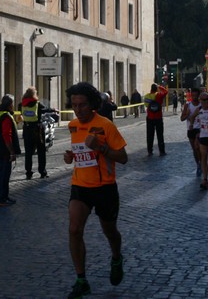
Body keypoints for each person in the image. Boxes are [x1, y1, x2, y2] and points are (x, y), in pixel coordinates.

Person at [63, 82, 128, 298]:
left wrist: (101, 147)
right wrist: (70, 157)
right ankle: (81, 280)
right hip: (80, 186)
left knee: (110, 232)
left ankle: (116, 257)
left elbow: (123, 157)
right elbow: (80, 154)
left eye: (82, 105)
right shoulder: (73, 125)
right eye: (74, 105)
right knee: (74, 229)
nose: (78, 110)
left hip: (105, 188)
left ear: (92, 105)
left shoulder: (106, 125)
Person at [20, 86, 55, 180]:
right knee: (41, 151)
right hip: (37, 130)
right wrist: (54, 110)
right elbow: (46, 109)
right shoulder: (37, 104)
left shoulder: (22, 104)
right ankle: (42, 172)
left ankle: (28, 173)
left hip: (27, 129)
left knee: (28, 152)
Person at [0, 95, 21, 206]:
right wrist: (12, 152)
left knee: (3, 174)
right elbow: (6, 135)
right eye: (12, 103)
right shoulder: (6, 117)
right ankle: (0, 199)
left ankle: (4, 196)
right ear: (10, 105)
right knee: (3, 175)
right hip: (4, 150)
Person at [180, 87, 201, 176]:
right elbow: (182, 118)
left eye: (196, 96)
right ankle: (198, 164)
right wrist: (187, 114)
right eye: (193, 96)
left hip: (200, 129)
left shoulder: (201, 105)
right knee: (194, 149)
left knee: (197, 146)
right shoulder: (187, 105)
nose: (194, 97)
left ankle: (202, 162)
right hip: (190, 129)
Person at [144, 83, 168, 156]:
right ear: (156, 89)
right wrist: (159, 86)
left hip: (150, 118)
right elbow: (166, 92)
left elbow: (146, 105)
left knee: (150, 135)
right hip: (158, 117)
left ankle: (150, 151)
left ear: (151, 89)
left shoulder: (147, 96)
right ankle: (162, 151)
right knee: (160, 135)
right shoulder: (158, 96)